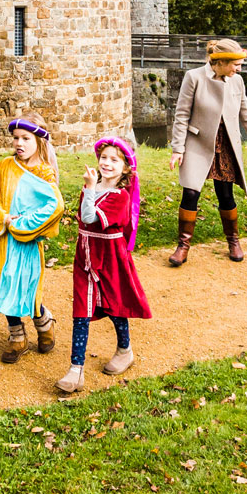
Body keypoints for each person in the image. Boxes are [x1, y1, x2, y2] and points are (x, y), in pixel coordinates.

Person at [166, 37, 247, 265]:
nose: (239, 68)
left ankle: (233, 241)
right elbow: (181, 115)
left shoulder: (237, 82)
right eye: (236, 64)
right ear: (222, 61)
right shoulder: (194, 77)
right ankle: (183, 246)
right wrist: (178, 148)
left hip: (226, 145)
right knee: (190, 193)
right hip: (197, 144)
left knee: (226, 194)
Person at [57, 137, 153, 394]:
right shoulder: (91, 187)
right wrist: (90, 188)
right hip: (86, 258)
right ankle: (76, 370)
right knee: (81, 310)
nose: (107, 163)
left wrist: (89, 189)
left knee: (113, 305)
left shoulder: (120, 197)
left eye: (114, 159)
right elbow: (82, 218)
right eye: (104, 157)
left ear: (125, 169)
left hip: (110, 259)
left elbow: (90, 216)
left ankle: (125, 349)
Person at [0, 114, 64, 363]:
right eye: (16, 139)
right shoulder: (5, 166)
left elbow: (53, 207)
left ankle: (44, 323)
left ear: (39, 142)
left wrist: (24, 225)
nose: (19, 143)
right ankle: (17, 337)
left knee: (28, 288)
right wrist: (5, 219)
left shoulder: (45, 175)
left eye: (26, 138)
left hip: (28, 244)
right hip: (5, 241)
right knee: (7, 287)